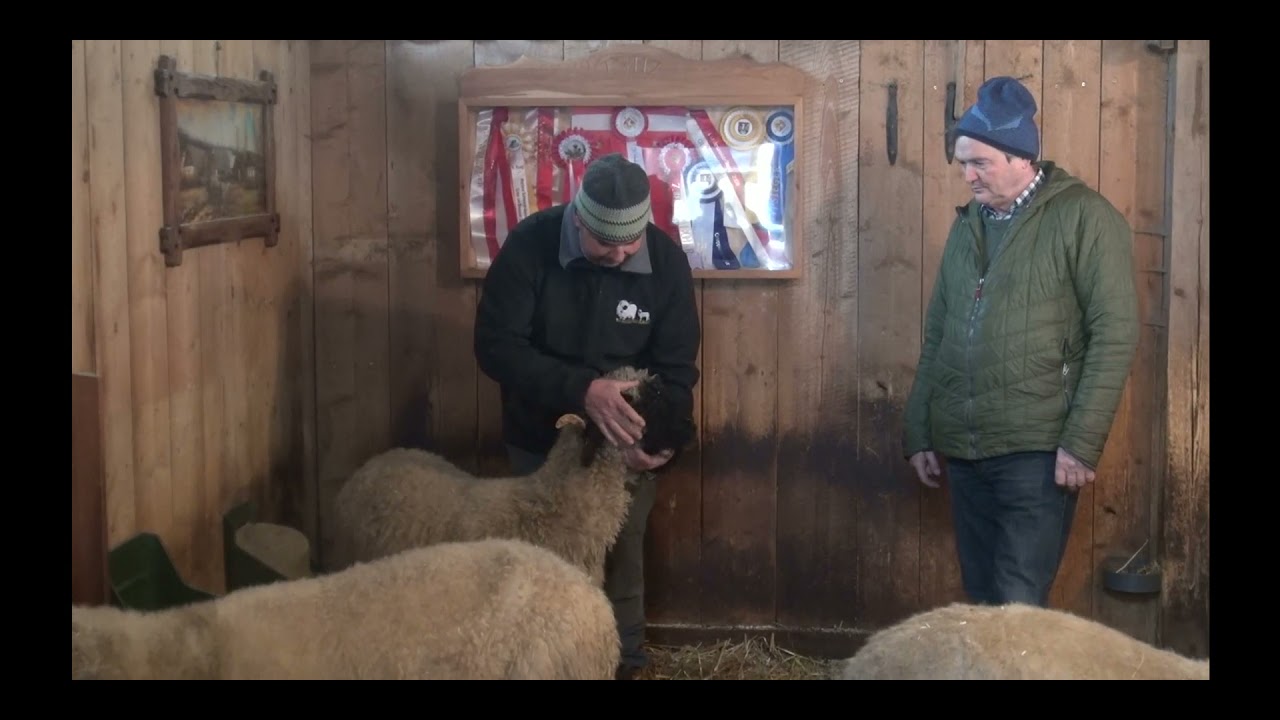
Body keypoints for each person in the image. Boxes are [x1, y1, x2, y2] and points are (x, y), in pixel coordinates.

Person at [902, 76, 1140, 608]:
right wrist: (919, 429)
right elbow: (938, 333)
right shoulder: (969, 228)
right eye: (963, 163)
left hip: (1037, 452)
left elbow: (1115, 333)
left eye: (979, 162)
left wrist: (1080, 441)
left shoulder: (1085, 218)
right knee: (984, 598)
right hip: (965, 448)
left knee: (1017, 604)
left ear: (1019, 157)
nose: (967, 176)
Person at [474, 152, 701, 680]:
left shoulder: (664, 262)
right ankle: (540, 667)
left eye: (631, 241)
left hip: (625, 451)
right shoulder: (531, 245)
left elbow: (676, 368)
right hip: (541, 440)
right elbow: (495, 346)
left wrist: (660, 445)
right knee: (542, 561)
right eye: (605, 243)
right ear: (578, 219)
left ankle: (624, 667)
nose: (621, 255)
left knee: (620, 558)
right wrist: (583, 390)